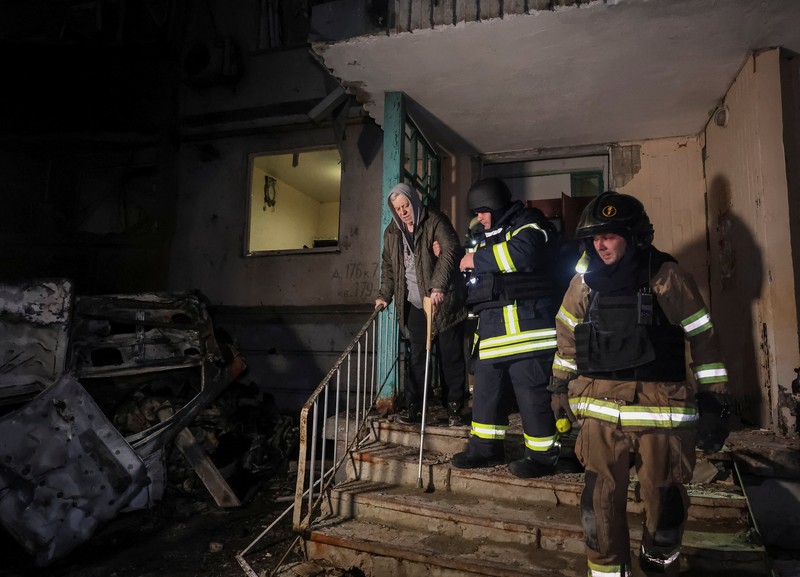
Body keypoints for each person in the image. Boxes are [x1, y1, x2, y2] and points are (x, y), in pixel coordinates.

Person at [549, 191, 734, 576]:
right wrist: (558, 386)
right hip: (600, 414)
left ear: (633, 237)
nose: (600, 245)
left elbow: (702, 336)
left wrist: (714, 400)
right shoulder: (584, 283)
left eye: (610, 236)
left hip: (661, 412)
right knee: (597, 508)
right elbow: (566, 334)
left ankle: (657, 567)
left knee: (665, 510)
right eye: (595, 238)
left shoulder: (667, 277)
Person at [451, 177, 562, 478]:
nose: (480, 218)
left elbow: (523, 254)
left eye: (484, 211)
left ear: (497, 206)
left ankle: (542, 457)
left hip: (528, 332)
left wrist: (476, 258)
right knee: (486, 394)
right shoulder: (483, 235)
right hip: (491, 332)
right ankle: (485, 449)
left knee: (532, 396)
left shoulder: (530, 224)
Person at [375, 182, 468, 427]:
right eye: (397, 208)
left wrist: (437, 287)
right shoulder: (392, 233)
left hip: (443, 301)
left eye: (406, 205)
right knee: (416, 358)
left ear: (413, 201)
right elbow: (389, 266)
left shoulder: (435, 220)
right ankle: (415, 407)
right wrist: (384, 294)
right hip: (415, 304)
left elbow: (449, 252)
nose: (403, 211)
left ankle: (456, 408)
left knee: (450, 357)